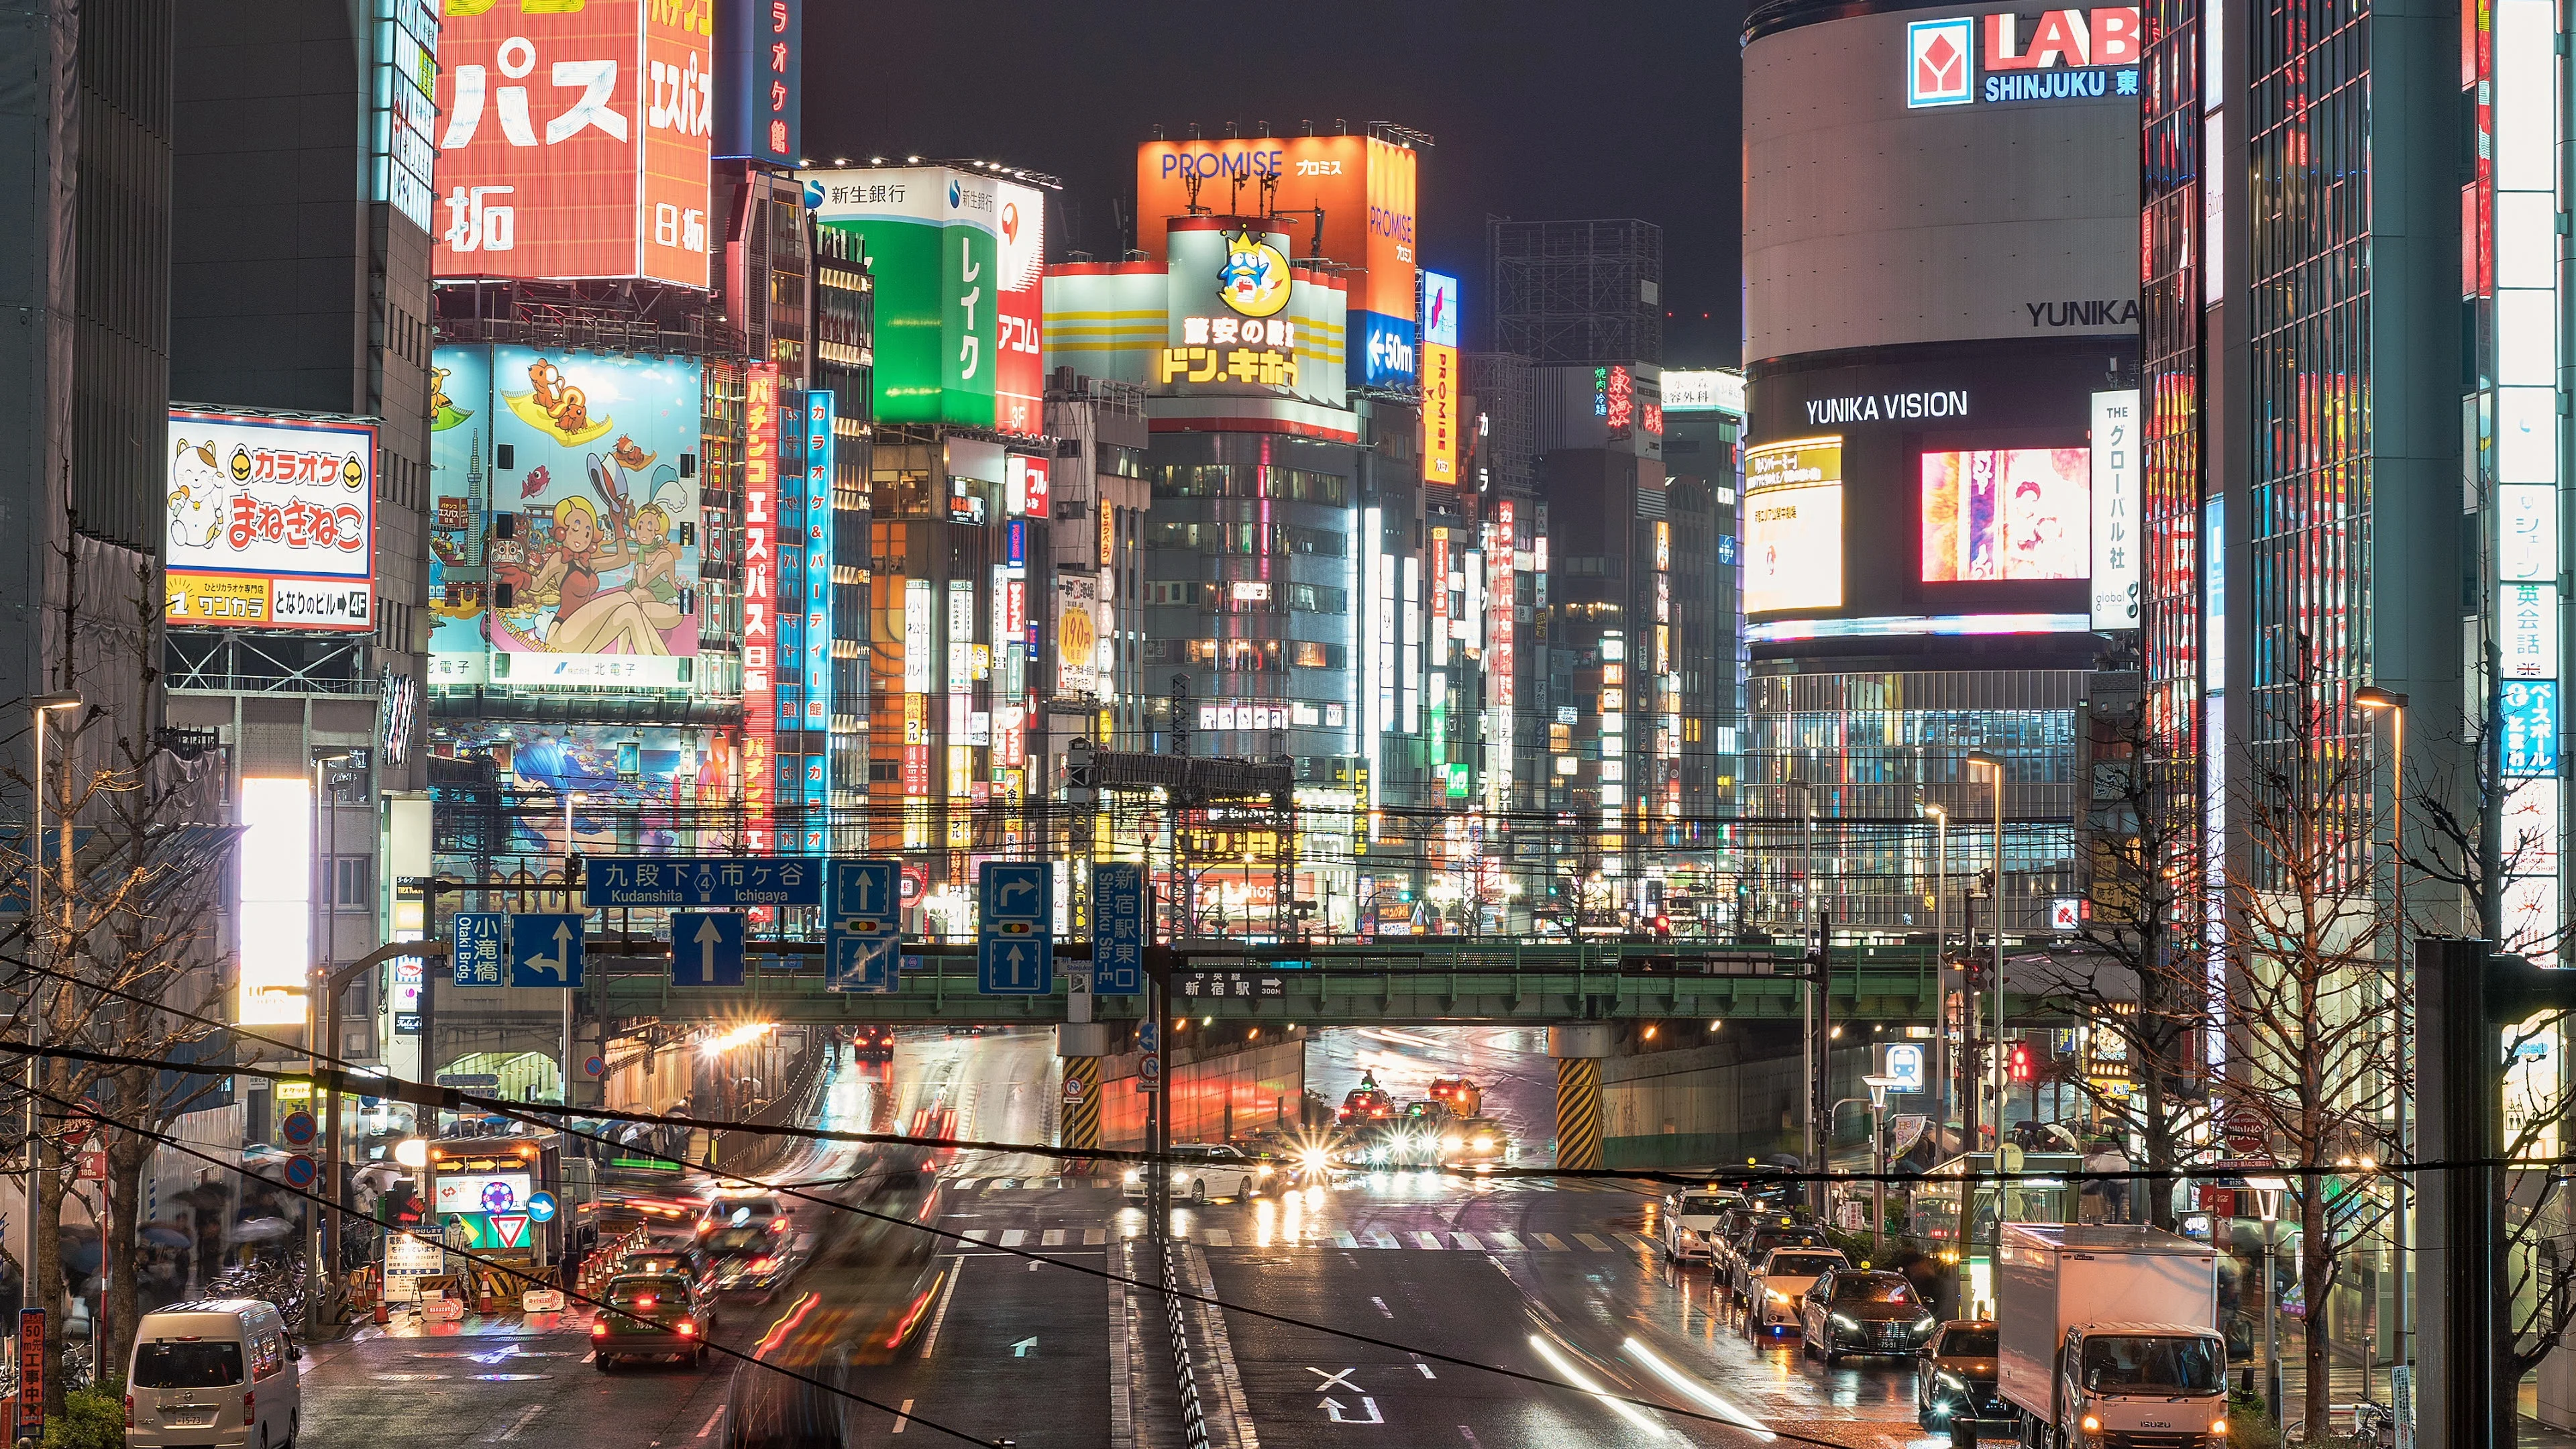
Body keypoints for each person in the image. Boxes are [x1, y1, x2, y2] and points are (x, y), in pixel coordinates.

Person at [2082, 1138, 2132, 1223]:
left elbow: (2098, 1169)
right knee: (2118, 1204)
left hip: (2108, 1188)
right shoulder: (2125, 1155)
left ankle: (2109, 1218)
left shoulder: (2106, 1156)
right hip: (2125, 1186)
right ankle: (2117, 1219)